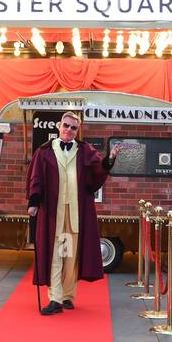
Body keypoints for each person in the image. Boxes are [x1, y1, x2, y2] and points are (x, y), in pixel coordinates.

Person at [26, 111, 116, 315]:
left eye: (73, 127)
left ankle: (67, 295)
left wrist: (109, 160)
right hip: (53, 213)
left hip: (77, 212)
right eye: (66, 125)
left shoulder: (84, 150)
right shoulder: (45, 151)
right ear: (59, 126)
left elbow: (97, 172)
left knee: (70, 254)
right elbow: (36, 177)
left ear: (78, 130)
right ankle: (55, 298)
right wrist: (34, 201)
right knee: (57, 253)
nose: (69, 130)